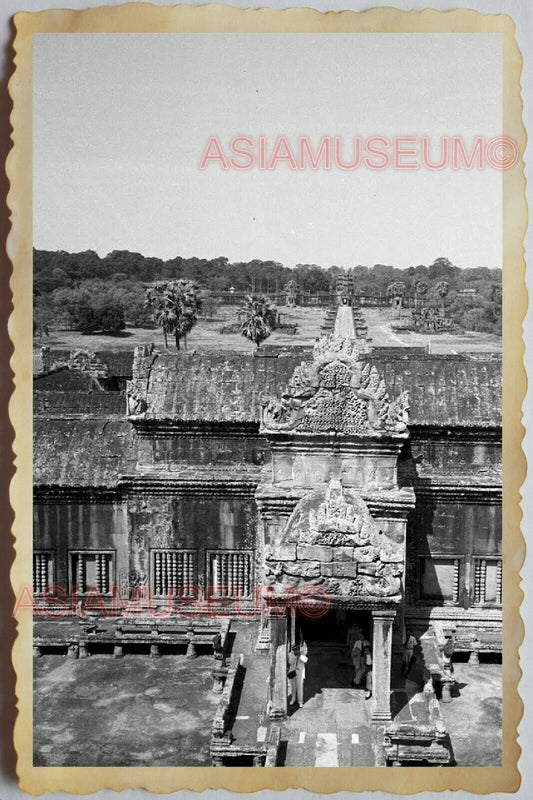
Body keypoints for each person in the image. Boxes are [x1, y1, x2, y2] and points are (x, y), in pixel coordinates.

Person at [288, 642, 307, 708]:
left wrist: (299, 656)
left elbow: (305, 660)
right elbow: (290, 662)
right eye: (294, 649)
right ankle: (293, 699)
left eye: (297, 649)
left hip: (300, 672)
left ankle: (300, 701)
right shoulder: (292, 654)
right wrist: (295, 657)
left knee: (299, 687)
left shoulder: (302, 654)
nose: (295, 651)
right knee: (293, 687)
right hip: (293, 672)